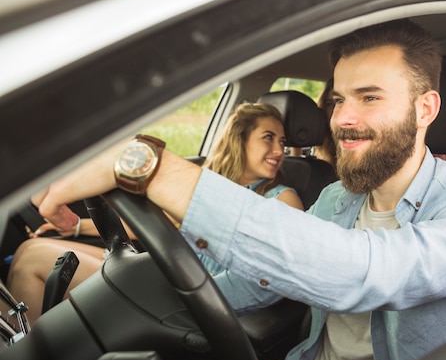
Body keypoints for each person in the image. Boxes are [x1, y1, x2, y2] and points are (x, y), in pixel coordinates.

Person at [32, 19, 446, 360]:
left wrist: (155, 169)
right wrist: (150, 294)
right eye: (337, 100)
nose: (342, 119)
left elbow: (364, 272)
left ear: (425, 108)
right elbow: (258, 285)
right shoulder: (336, 198)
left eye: (369, 97)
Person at [7, 102, 303, 324]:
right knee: (27, 249)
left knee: (33, 260)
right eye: (268, 137)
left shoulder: (282, 197)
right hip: (159, 271)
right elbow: (145, 226)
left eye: (283, 142)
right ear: (239, 139)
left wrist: (191, 298)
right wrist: (70, 228)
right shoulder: (206, 183)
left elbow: (273, 273)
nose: (280, 150)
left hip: (188, 294)